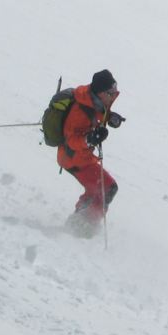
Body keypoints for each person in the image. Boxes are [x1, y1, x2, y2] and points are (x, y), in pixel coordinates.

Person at [58, 68, 124, 234]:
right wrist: (90, 139)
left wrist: (110, 118)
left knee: (101, 189)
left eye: (115, 88)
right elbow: (71, 139)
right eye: (111, 91)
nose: (114, 93)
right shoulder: (79, 111)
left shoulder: (95, 100)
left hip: (82, 157)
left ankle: (79, 223)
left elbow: (97, 114)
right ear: (101, 92)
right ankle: (83, 227)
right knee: (107, 188)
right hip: (73, 158)